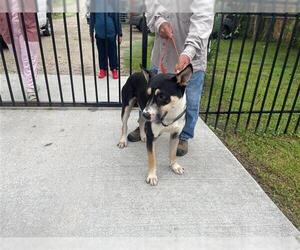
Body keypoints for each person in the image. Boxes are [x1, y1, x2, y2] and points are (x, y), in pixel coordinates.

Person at [127, 2, 214, 156]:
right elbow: (151, 8)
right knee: (151, 96)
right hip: (163, 53)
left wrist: (188, 52)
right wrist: (159, 23)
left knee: (191, 102)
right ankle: (147, 125)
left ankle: (183, 136)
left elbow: (203, 21)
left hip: (191, 59)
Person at [0, 0, 39, 101]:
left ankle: (30, 89)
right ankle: (31, 83)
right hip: (8, 29)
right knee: (19, 59)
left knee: (29, 57)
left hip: (28, 27)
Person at [89, 8, 122, 80]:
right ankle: (103, 69)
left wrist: (120, 34)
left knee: (112, 53)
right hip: (99, 34)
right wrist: (91, 33)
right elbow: (92, 19)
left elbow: (117, 19)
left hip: (111, 33)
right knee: (101, 53)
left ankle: (114, 69)